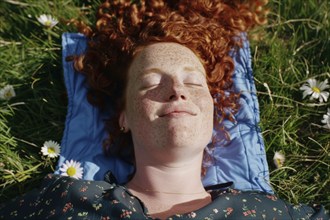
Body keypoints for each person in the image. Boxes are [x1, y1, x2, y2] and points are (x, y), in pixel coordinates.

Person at [0, 0, 328, 219]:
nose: (177, 91)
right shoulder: (64, 197)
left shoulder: (270, 212)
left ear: (213, 112)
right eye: (151, 82)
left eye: (195, 83)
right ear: (123, 117)